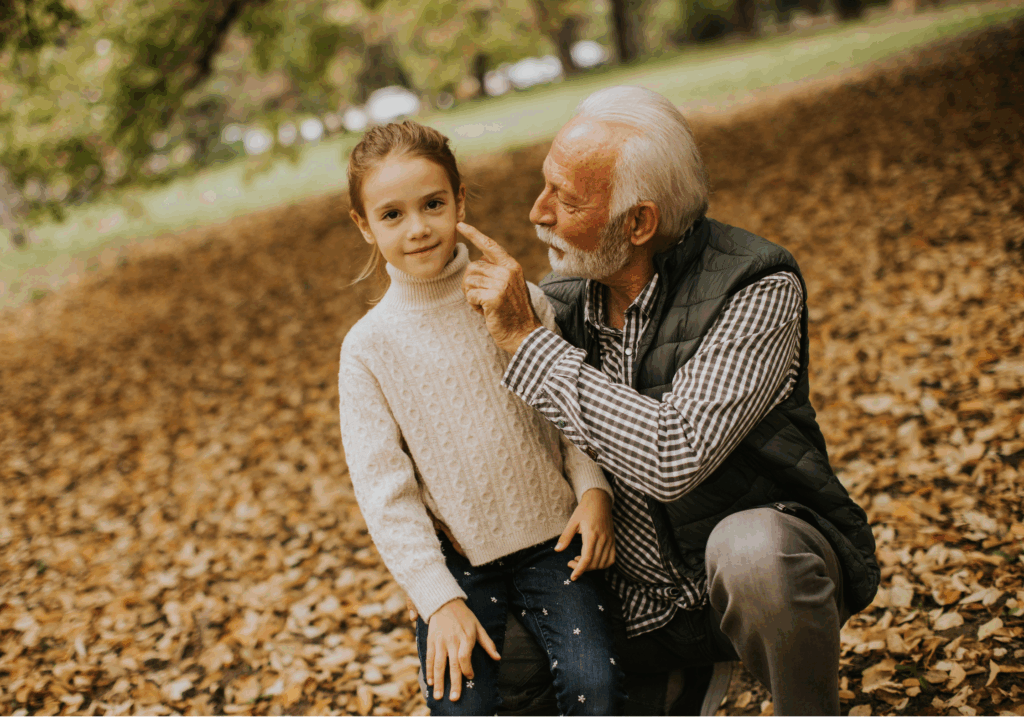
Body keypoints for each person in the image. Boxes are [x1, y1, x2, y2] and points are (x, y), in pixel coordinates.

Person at [457, 86, 880, 716]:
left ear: (639, 223)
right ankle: (673, 685)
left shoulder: (757, 287)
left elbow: (672, 454)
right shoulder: (560, 300)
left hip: (736, 589)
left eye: (565, 199)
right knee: (490, 632)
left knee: (755, 555)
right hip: (621, 605)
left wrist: (528, 343)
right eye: (544, 186)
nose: (536, 212)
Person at [336, 120, 626, 716]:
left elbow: (568, 406)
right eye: (392, 215)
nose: (418, 228)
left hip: (555, 539)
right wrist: (437, 599)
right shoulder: (367, 348)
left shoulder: (517, 300)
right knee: (460, 704)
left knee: (596, 685)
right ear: (364, 224)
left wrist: (594, 491)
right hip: (458, 562)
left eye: (433, 204)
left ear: (460, 200)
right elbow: (384, 492)